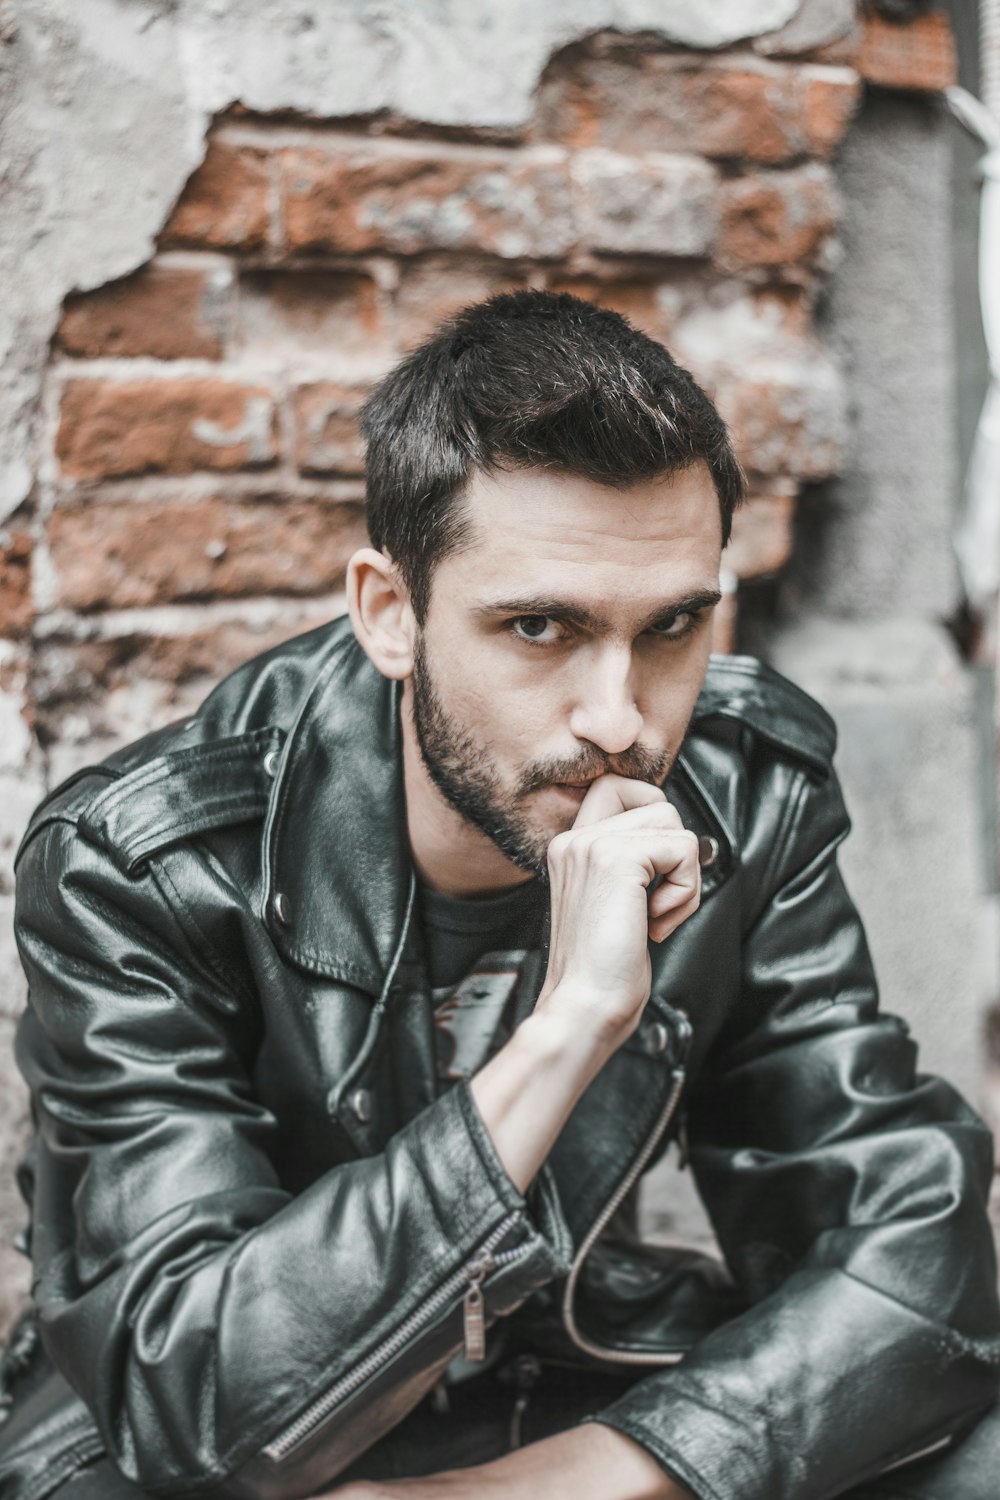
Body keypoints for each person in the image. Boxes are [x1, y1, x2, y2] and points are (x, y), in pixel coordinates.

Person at [0, 291, 997, 1500]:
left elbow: (915, 1260)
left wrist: (551, 1485)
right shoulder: (145, 861)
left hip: (566, 1382)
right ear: (390, 616)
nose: (619, 720)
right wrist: (566, 1030)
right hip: (248, 1430)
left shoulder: (742, 789)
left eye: (674, 624)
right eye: (538, 627)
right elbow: (198, 1400)